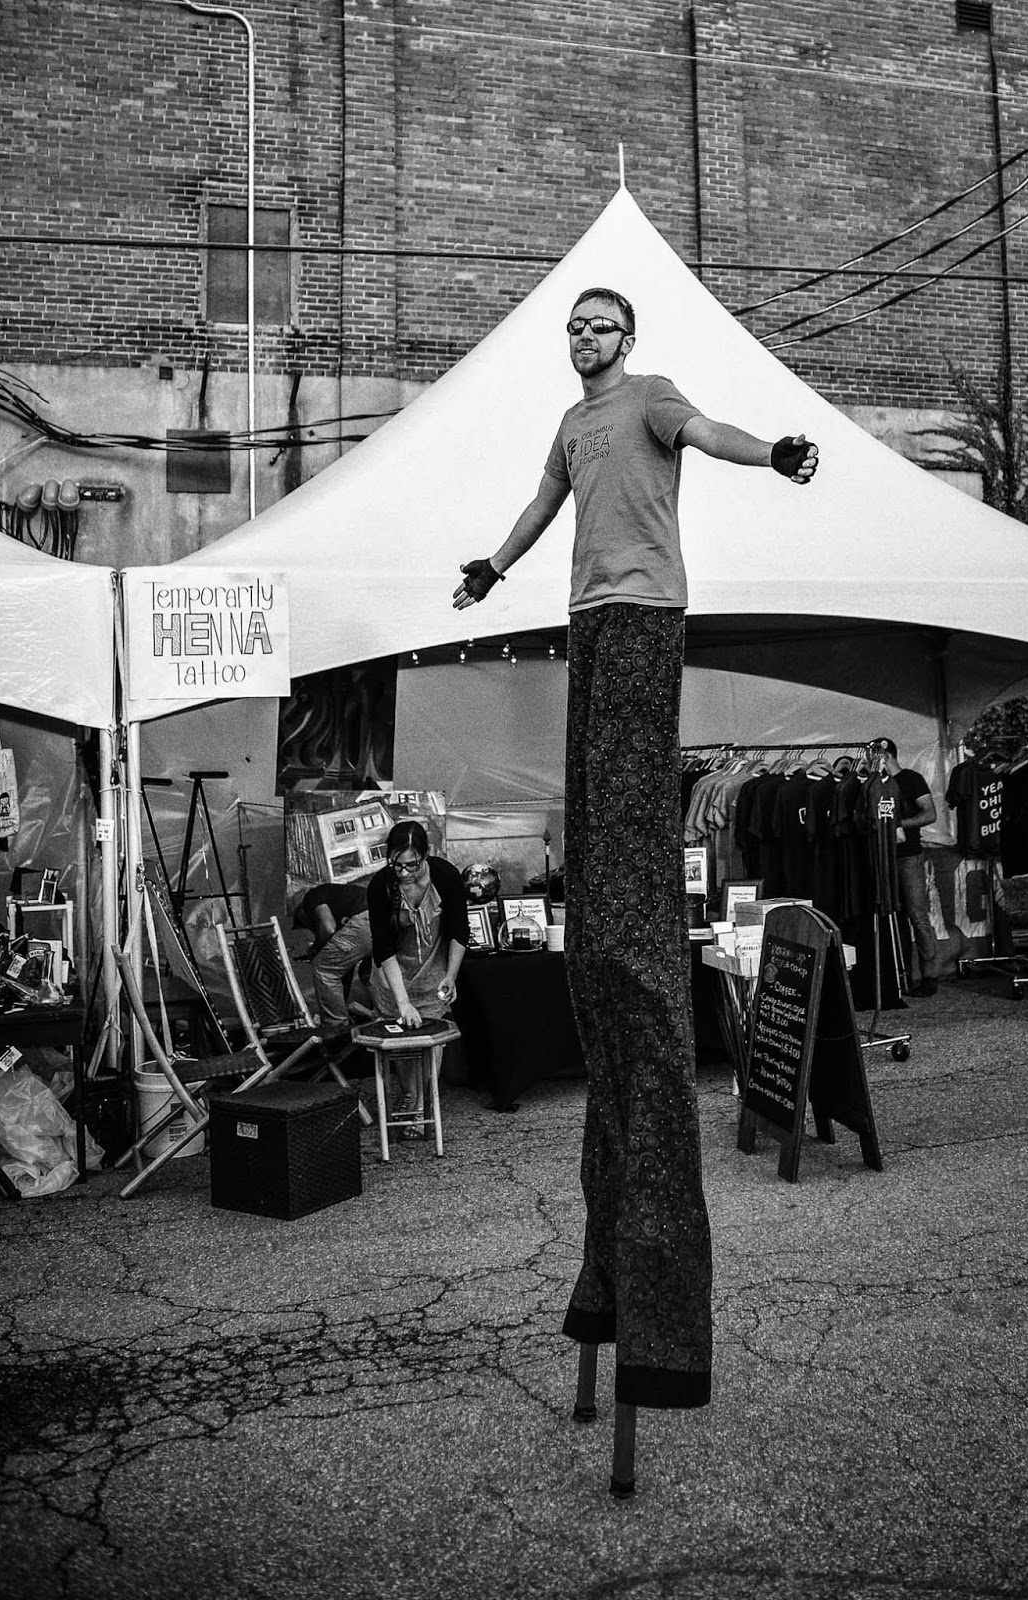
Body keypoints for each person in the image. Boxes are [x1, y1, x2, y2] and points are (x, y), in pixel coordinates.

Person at [453, 286, 818, 1421]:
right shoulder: (571, 426)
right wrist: (491, 568)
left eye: (598, 326)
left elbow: (713, 435)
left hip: (648, 610)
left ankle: (633, 903)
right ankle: (616, 898)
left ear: (627, 339)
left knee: (626, 782)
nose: (584, 339)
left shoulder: (651, 399)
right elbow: (538, 505)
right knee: (597, 797)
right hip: (586, 615)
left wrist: (778, 454)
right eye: (573, 328)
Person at [366, 821, 469, 1136]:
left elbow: (459, 930)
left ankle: (423, 1103)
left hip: (433, 967)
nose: (404, 872)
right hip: (394, 971)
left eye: (412, 864)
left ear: (426, 855)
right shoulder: (381, 885)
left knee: (431, 1038)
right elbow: (383, 947)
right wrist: (403, 1002)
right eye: (397, 864)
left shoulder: (445, 876)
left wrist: (451, 975)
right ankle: (410, 1095)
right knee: (401, 1036)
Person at [867, 737, 940, 996]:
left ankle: (930, 976)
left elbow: (930, 814)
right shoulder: (873, 783)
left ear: (885, 756)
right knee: (892, 916)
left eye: (874, 758)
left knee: (917, 915)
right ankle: (902, 975)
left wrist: (898, 825)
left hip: (908, 856)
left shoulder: (911, 779)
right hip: (882, 857)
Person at [292, 881, 373, 1032]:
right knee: (369, 974)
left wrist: (316, 949)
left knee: (324, 968)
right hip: (388, 920)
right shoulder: (341, 900)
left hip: (367, 920)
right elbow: (343, 966)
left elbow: (328, 928)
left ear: (302, 910)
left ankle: (336, 1029)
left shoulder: (312, 896)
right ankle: (387, 1015)